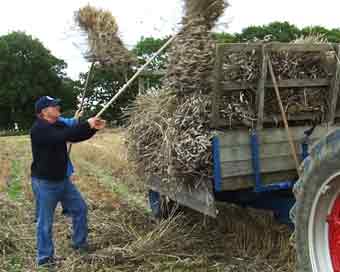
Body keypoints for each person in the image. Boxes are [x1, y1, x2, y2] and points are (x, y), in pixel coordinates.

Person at [30, 96, 106, 266]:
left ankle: (79, 244)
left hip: (63, 180)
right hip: (45, 183)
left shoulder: (57, 124)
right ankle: (45, 259)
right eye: (53, 105)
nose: (58, 106)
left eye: (57, 103)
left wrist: (92, 129)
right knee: (45, 222)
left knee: (80, 209)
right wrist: (87, 124)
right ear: (44, 111)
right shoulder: (39, 129)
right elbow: (63, 135)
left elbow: (75, 135)